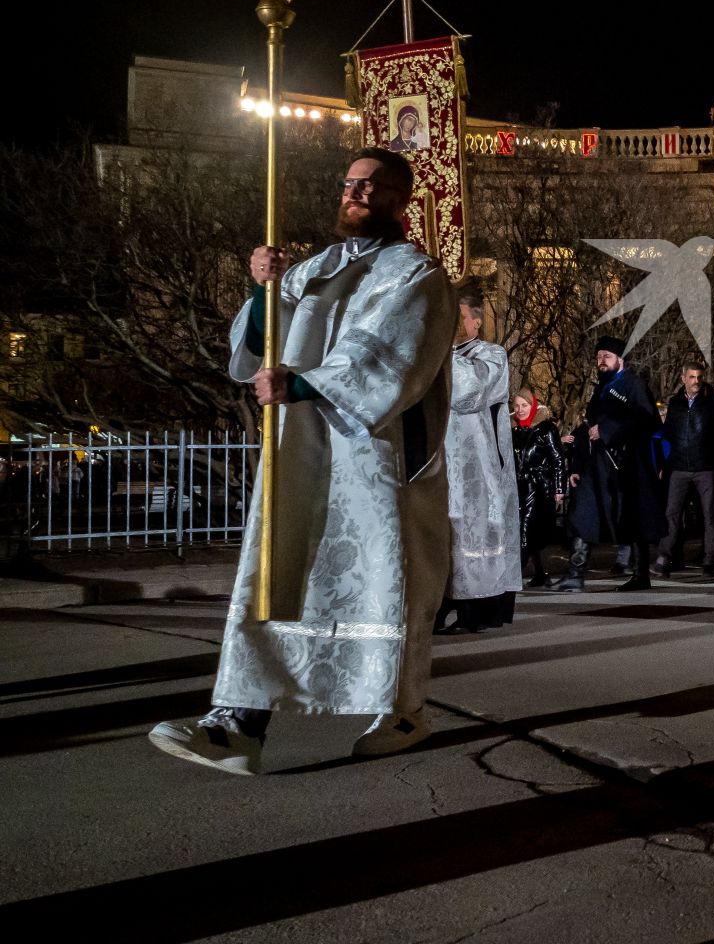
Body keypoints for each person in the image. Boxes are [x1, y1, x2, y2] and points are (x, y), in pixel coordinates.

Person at [149, 148, 455, 774]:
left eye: (373, 185)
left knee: (378, 581)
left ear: (402, 197)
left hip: (373, 457)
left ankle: (400, 710)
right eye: (350, 184)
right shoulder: (314, 268)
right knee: (276, 575)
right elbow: (264, 341)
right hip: (301, 451)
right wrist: (264, 290)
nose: (358, 193)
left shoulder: (414, 272)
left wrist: (304, 385)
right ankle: (239, 724)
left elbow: (393, 354)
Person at [436, 287, 520, 633]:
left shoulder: (491, 355)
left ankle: (475, 610)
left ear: (476, 321)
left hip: (477, 465)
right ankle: (440, 606)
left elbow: (469, 394)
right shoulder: (437, 356)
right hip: (440, 460)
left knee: (473, 538)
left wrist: (444, 354)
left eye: (458, 318)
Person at [557, 340, 663, 593]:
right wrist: (577, 466)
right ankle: (575, 573)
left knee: (634, 520)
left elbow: (648, 421)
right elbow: (588, 429)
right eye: (598, 356)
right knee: (582, 513)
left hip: (627, 466)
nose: (601, 360)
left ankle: (640, 574)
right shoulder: (600, 390)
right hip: (597, 466)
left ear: (620, 359)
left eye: (607, 355)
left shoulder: (633, 384)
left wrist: (607, 430)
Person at [655, 361, 714, 577]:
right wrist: (664, 464)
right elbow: (669, 433)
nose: (696, 381)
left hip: (705, 466)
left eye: (699, 377)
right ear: (683, 378)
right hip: (679, 466)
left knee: (709, 515)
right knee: (671, 513)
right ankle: (664, 557)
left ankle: (709, 559)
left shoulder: (711, 401)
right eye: (692, 377)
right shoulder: (676, 402)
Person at [511, 389, 565, 587]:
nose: (520, 410)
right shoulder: (513, 430)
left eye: (524, 405)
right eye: (516, 406)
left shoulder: (545, 428)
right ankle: (540, 573)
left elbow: (557, 458)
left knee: (525, 528)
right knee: (526, 529)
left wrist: (559, 488)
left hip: (539, 487)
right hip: (517, 487)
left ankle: (513, 574)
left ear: (533, 405)